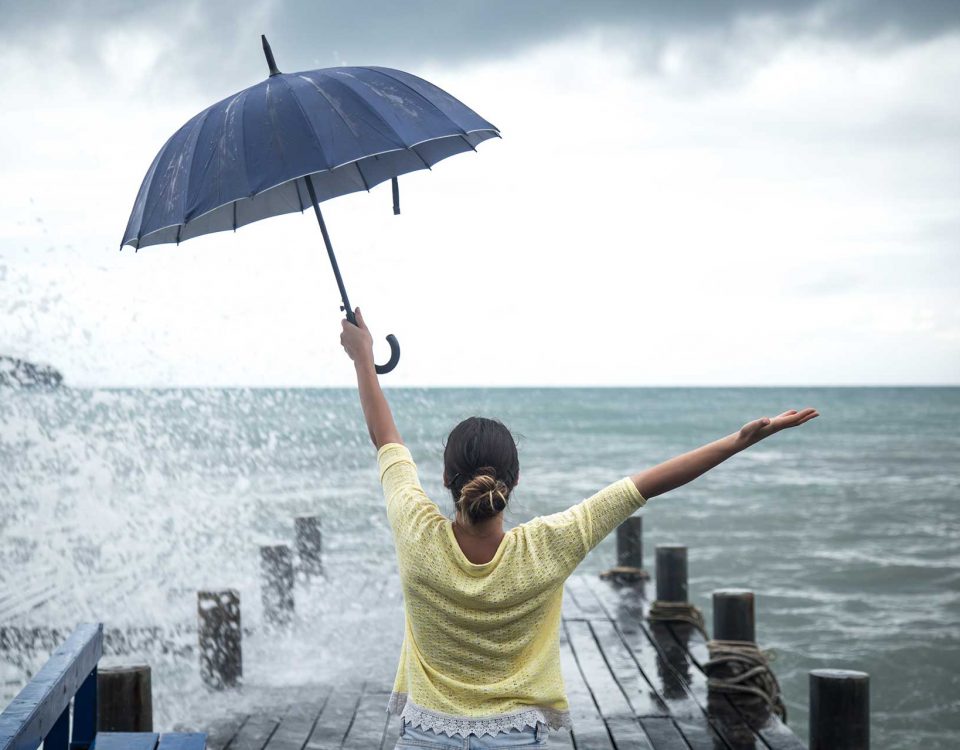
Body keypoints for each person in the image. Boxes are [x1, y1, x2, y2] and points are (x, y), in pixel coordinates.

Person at [340, 308, 818, 749]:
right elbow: (644, 485)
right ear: (515, 481)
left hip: (425, 735)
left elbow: (385, 436)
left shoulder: (416, 532)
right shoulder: (548, 546)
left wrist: (363, 357)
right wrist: (738, 441)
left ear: (446, 479)